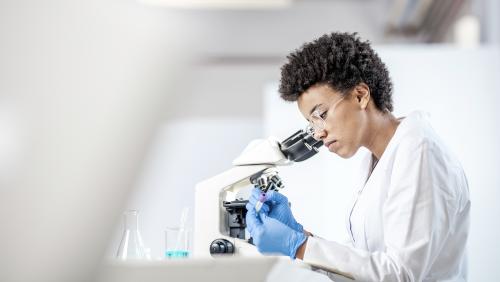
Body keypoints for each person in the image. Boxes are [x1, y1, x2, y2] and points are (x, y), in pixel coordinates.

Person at [245, 32, 470, 281]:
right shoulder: (373, 160)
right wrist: (301, 237)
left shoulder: (420, 151)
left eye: (321, 114)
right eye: (311, 123)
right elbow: (363, 267)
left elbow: (401, 274)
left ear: (361, 95)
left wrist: (299, 246)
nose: (318, 133)